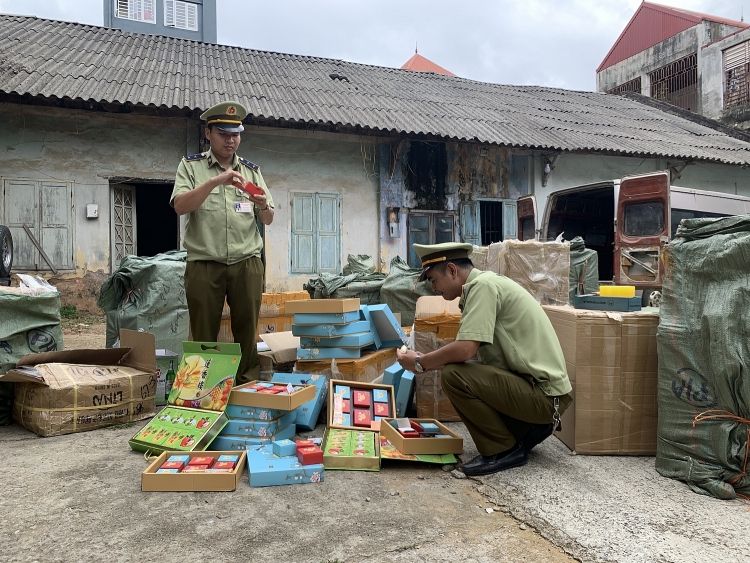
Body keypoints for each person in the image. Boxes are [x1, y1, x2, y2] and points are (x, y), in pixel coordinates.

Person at [396, 242, 572, 476]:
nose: (434, 288)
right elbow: (469, 354)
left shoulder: (482, 287)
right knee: (458, 370)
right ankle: (528, 428)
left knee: (454, 375)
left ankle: (503, 450)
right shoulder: (486, 284)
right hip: (545, 395)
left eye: (433, 280)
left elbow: (465, 350)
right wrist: (424, 361)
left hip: (544, 397)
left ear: (452, 270)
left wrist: (420, 362)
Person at [170, 101, 274, 385]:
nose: (231, 140)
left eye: (236, 134)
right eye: (223, 133)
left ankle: (246, 385)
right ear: (208, 133)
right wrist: (216, 181)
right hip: (204, 263)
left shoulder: (251, 171)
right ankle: (202, 391)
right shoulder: (191, 167)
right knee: (204, 333)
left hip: (247, 263)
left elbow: (268, 218)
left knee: (247, 332)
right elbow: (180, 206)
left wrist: (263, 205)